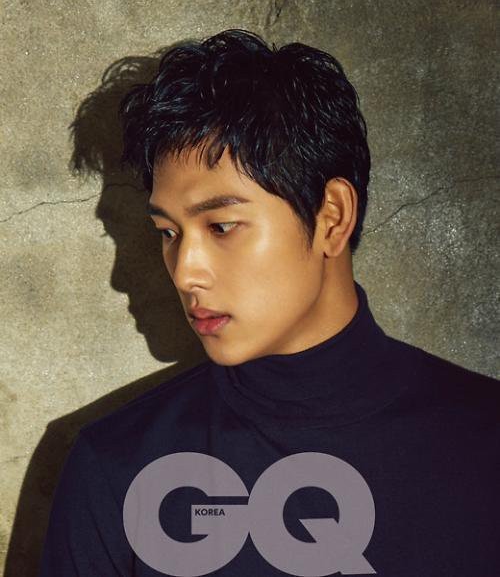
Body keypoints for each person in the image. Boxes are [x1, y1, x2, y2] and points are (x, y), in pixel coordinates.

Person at [38, 29, 499, 576]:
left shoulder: (484, 445)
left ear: (332, 217)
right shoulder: (115, 464)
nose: (185, 271)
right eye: (168, 232)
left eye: (221, 226)